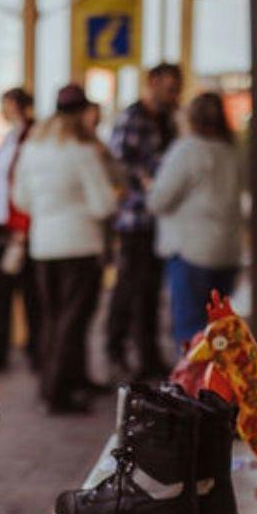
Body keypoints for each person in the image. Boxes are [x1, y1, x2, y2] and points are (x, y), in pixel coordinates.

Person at [14, 83, 118, 415]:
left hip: (43, 244)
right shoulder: (83, 150)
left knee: (53, 318)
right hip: (81, 244)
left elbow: (21, 199)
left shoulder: (33, 147)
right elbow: (102, 204)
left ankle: (68, 382)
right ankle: (56, 391)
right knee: (74, 320)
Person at [149, 91, 244, 349]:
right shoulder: (231, 151)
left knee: (191, 334)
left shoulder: (186, 150)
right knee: (218, 332)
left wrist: (148, 186)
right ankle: (216, 384)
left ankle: (195, 387)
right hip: (227, 250)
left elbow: (159, 200)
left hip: (190, 250)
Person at [106, 61, 183, 380]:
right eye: (169, 88)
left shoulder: (169, 121)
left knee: (150, 292)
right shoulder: (132, 118)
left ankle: (147, 355)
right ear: (152, 83)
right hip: (136, 219)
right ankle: (116, 350)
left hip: (159, 220)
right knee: (130, 288)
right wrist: (146, 182)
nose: (173, 94)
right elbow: (119, 166)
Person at [0, 87, 40, 371]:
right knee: (0, 293)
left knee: (28, 293)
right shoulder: (9, 137)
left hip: (17, 226)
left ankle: (32, 349)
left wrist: (21, 228)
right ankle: (1, 349)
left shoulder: (30, 138)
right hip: (1, 221)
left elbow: (24, 185)